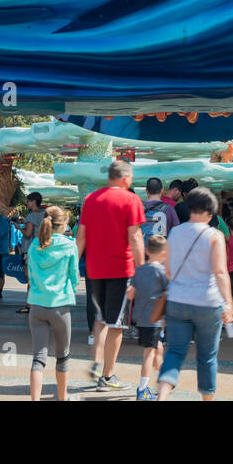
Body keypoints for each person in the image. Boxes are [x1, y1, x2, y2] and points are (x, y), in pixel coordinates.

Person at [156, 187, 233, 401]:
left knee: (174, 353)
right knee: (207, 357)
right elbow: (220, 272)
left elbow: (169, 271)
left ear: (189, 208)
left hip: (177, 301)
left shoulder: (175, 232)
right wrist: (229, 303)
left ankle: (161, 396)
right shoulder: (214, 235)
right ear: (211, 212)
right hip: (208, 303)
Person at [76, 159, 145, 390]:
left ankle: (96, 362)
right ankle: (107, 375)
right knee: (116, 324)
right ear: (125, 178)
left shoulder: (91, 199)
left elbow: (81, 237)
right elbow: (135, 237)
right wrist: (143, 269)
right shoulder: (131, 199)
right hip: (120, 269)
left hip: (94, 270)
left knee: (100, 319)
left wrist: (72, 267)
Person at [24, 205, 78, 400]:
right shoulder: (69, 245)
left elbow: (30, 274)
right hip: (60, 307)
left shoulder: (34, 245)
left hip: (37, 306)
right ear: (62, 225)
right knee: (62, 357)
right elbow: (74, 277)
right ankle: (63, 397)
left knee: (38, 358)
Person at [127, 234, 169, 400]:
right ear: (164, 253)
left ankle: (162, 381)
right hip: (155, 319)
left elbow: (131, 294)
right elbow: (169, 293)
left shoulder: (140, 270)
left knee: (157, 348)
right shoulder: (162, 272)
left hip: (141, 318)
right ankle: (142, 389)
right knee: (149, 354)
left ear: (146, 250)